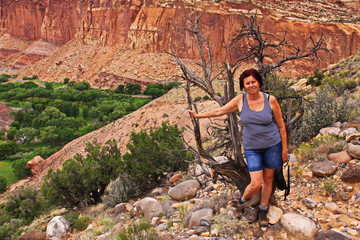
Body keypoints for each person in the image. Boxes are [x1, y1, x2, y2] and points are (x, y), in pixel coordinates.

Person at [188, 68, 288, 230]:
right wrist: (199, 116)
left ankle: (263, 210)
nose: (251, 85)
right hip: (252, 148)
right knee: (255, 183)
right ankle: (241, 202)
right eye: (247, 83)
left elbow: (281, 127)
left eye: (253, 82)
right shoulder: (240, 101)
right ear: (243, 86)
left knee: (268, 180)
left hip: (272, 146)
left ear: (259, 83)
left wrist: (284, 150)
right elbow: (220, 110)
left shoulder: (271, 100)